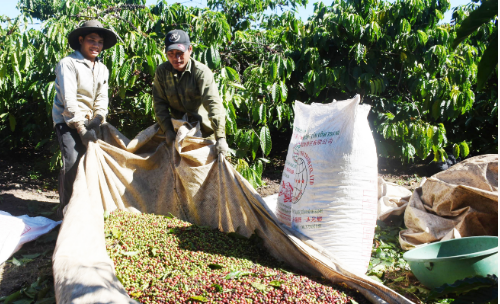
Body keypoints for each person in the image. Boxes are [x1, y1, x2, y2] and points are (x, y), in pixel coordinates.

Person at [52, 20, 117, 213]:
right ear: (81, 40)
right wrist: (80, 128)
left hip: (91, 121)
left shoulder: (102, 68)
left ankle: (88, 208)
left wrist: (97, 121)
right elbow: (69, 100)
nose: (96, 45)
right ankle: (67, 210)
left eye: (99, 42)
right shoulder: (68, 64)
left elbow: (101, 98)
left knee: (92, 162)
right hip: (67, 120)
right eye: (91, 40)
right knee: (72, 161)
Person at [152, 29, 228, 155]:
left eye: (180, 53)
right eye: (171, 54)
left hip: (204, 132)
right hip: (177, 130)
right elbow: (159, 104)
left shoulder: (201, 72)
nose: (176, 58)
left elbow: (213, 104)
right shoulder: (162, 72)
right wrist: (168, 131)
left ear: (190, 50)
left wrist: (221, 138)